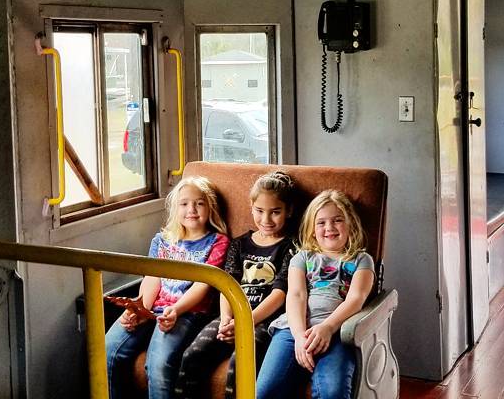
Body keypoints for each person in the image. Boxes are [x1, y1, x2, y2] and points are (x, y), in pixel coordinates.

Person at [177, 171, 298, 399]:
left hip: (265, 320)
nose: (266, 220)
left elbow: (280, 294)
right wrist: (225, 319)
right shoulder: (239, 244)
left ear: (289, 211)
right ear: (251, 207)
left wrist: (244, 322)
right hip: (231, 315)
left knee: (239, 364)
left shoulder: (291, 247)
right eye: (260, 211)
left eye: (275, 212)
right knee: (192, 356)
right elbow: (227, 283)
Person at [106, 176, 230, 399]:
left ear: (210, 206)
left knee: (159, 364)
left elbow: (203, 285)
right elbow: (152, 278)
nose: (191, 209)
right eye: (184, 204)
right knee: (108, 350)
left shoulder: (218, 242)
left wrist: (176, 310)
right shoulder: (162, 240)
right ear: (175, 208)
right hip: (152, 308)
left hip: (187, 312)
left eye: (199, 203)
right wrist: (138, 309)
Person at [256, 190, 374, 399]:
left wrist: (328, 327)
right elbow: (296, 296)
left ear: (351, 225)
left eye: (338, 220)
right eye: (321, 223)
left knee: (333, 391)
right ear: (312, 230)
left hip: (338, 333)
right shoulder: (302, 258)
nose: (329, 227)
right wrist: (300, 337)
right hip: (293, 331)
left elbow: (356, 298)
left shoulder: (361, 259)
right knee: (264, 392)